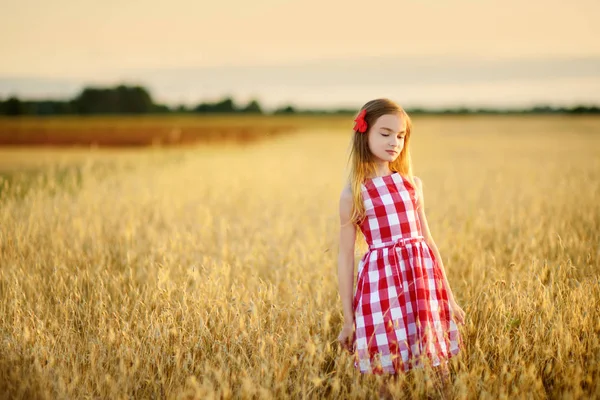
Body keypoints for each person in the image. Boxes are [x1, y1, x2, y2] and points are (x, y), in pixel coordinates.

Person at [336, 98, 466, 399]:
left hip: (421, 284)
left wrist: (449, 298)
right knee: (388, 370)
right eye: (385, 133)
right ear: (363, 134)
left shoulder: (411, 184)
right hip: (381, 289)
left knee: (438, 368)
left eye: (400, 135)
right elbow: (344, 257)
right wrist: (347, 318)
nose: (394, 142)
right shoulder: (353, 194)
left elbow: (428, 242)